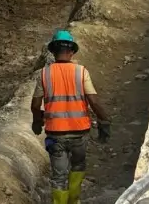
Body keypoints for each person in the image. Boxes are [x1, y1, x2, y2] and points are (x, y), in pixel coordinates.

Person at [31, 30, 111, 204]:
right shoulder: (81, 72)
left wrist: (37, 121)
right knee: (78, 166)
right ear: (72, 51)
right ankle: (74, 201)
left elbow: (36, 105)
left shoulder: (44, 74)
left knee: (59, 176)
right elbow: (94, 101)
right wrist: (104, 121)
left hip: (56, 134)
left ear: (53, 51)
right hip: (79, 132)